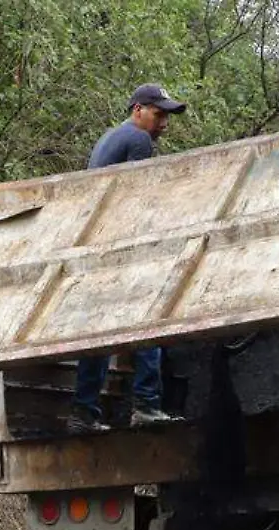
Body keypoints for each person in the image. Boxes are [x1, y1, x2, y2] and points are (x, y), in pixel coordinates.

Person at [69, 83, 190, 434]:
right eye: (159, 113)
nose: (164, 122)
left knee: (99, 334)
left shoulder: (110, 139)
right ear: (138, 110)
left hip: (98, 246)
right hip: (120, 247)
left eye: (167, 115)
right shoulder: (138, 141)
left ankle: (84, 412)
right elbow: (141, 198)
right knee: (148, 321)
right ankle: (147, 405)